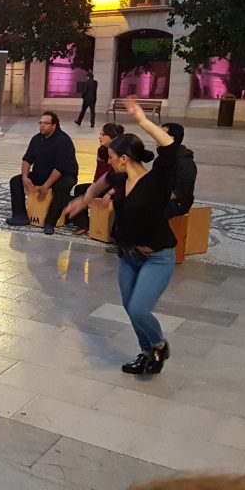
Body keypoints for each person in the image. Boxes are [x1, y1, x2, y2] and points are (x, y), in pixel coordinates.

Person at [64, 97, 179, 375]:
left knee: (140, 309)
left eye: (112, 158)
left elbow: (170, 147)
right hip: (127, 255)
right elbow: (99, 184)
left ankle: (159, 345)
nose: (110, 162)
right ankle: (146, 353)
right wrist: (84, 200)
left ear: (124, 158)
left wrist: (142, 121)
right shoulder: (119, 179)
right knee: (130, 307)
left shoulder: (156, 181)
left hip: (157, 257)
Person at [5, 111, 79, 235]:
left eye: (46, 123)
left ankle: (50, 221)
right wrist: (25, 178)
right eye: (40, 123)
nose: (42, 126)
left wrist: (46, 186)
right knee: (15, 181)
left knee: (63, 186)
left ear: (54, 125)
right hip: (42, 173)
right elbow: (27, 159)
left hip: (64, 174)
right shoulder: (36, 139)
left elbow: (59, 168)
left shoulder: (63, 140)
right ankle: (20, 215)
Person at [70, 122, 124, 235]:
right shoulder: (102, 150)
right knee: (80, 189)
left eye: (103, 134)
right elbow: (99, 173)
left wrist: (109, 193)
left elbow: (124, 178)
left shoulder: (122, 153)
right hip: (103, 184)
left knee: (120, 200)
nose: (99, 137)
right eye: (100, 134)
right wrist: (93, 188)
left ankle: (115, 232)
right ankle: (83, 224)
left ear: (112, 137)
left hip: (118, 187)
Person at [161, 122, 197, 218]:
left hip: (178, 203)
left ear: (171, 138)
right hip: (163, 197)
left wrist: (154, 199)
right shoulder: (163, 157)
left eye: (161, 134)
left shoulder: (185, 162)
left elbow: (179, 192)